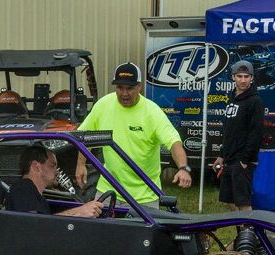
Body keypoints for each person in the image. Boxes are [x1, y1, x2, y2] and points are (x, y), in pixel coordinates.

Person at [75, 62, 191, 209]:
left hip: (144, 197)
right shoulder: (103, 105)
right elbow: (84, 136)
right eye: (119, 88)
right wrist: (80, 164)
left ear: (139, 87)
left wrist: (183, 168)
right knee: (101, 231)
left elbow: (174, 143)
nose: (124, 93)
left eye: (129, 88)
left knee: (143, 233)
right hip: (108, 191)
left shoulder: (152, 112)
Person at [212, 60, 263, 211]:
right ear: (233, 77)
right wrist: (222, 155)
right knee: (230, 201)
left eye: (246, 76)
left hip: (242, 161)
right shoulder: (232, 98)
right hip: (229, 159)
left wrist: (245, 160)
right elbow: (229, 130)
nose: (242, 80)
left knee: (243, 202)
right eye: (239, 76)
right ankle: (241, 233)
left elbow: (256, 133)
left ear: (252, 78)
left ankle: (249, 234)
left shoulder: (255, 101)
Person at [7, 145, 104, 217]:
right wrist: (79, 212)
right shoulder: (23, 190)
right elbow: (35, 226)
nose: (57, 172)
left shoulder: (33, 192)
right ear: (36, 167)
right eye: (53, 166)